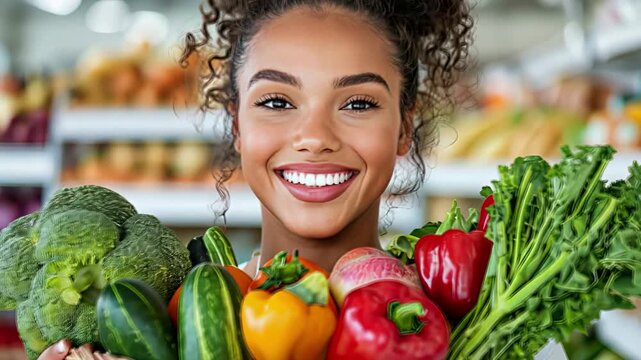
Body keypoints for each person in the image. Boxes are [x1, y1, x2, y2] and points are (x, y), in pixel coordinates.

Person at [38, 0, 472, 358]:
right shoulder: (158, 324)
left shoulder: (467, 319)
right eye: (278, 101)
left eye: (358, 104)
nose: (315, 138)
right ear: (237, 127)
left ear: (403, 129)